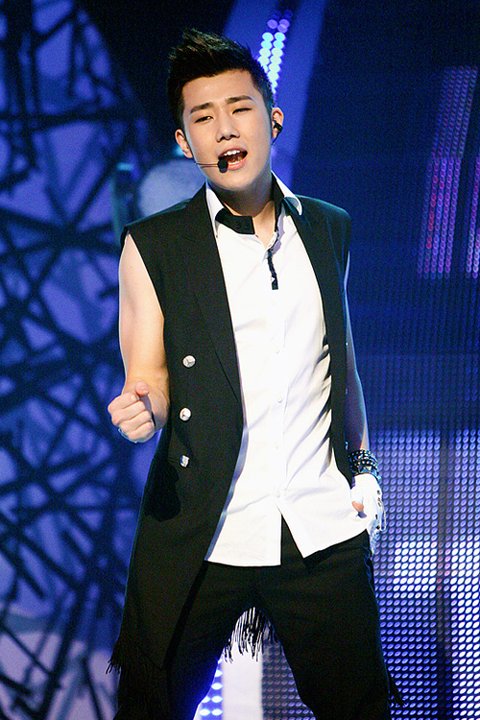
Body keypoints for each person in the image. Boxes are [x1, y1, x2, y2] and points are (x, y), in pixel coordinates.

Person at [108, 28, 397, 720]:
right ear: (184, 143)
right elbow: (148, 377)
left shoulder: (329, 229)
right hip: (207, 532)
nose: (224, 129)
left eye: (239, 109)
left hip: (318, 527)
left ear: (273, 120)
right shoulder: (154, 246)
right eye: (203, 118)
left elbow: (342, 367)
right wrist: (142, 409)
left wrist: (363, 468)